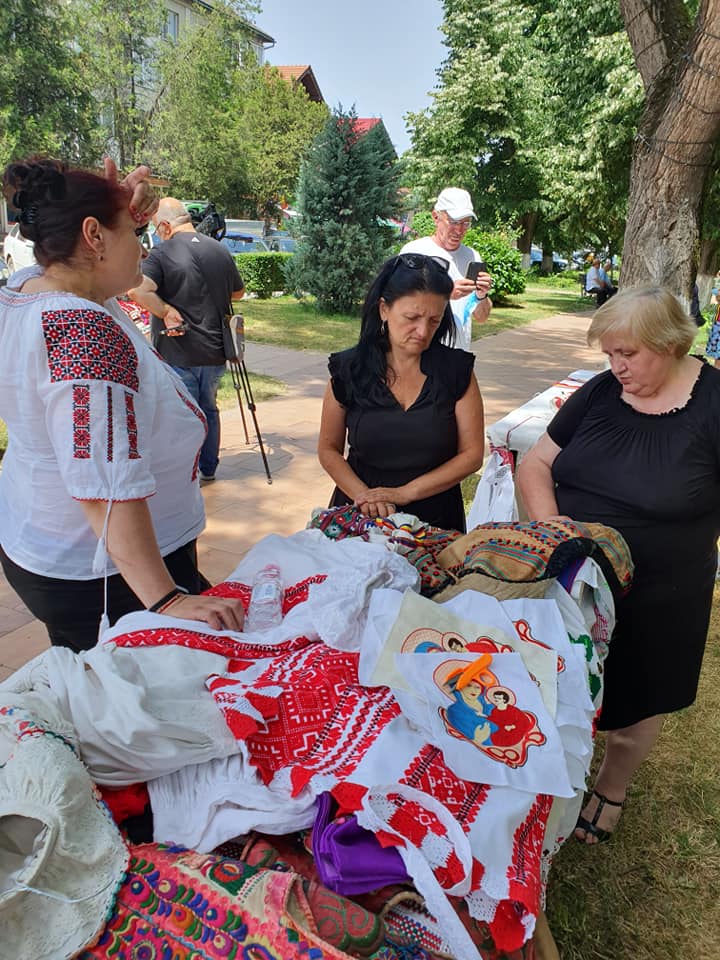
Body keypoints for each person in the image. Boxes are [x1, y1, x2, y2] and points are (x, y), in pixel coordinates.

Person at [0, 158, 245, 651]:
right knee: (126, 686)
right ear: (93, 237)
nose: (144, 246)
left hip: (58, 544)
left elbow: (80, 268)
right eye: (134, 234)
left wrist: (112, 210)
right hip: (106, 572)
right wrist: (165, 599)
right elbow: (104, 484)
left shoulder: (37, 287)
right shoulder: (80, 328)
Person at [516, 286, 720, 843]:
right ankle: (549, 770)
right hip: (574, 576)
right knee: (555, 681)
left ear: (670, 343)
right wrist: (556, 533)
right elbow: (536, 465)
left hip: (662, 591)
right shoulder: (602, 391)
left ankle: (611, 785)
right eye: (609, 354)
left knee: (637, 695)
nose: (617, 366)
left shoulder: (713, 404)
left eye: (628, 353)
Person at [318, 253, 485, 532]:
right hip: (360, 514)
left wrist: (405, 493)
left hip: (436, 519)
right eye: (412, 317)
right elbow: (328, 449)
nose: (422, 331)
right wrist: (364, 497)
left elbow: (472, 454)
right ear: (384, 309)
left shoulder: (456, 371)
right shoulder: (350, 369)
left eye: (434, 320)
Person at [128, 197, 245, 482]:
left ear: (165, 226)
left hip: (177, 350)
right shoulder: (219, 249)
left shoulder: (162, 252)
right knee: (209, 409)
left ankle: (185, 472)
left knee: (184, 414)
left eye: (156, 229)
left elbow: (137, 290)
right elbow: (238, 292)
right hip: (216, 349)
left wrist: (166, 310)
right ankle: (208, 468)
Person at [400, 188, 492, 350]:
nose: (459, 230)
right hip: (420, 354)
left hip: (457, 356)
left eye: (466, 223)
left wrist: (481, 295)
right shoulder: (414, 252)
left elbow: (481, 317)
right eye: (454, 222)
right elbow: (400, 305)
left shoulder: (472, 256)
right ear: (436, 217)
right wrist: (445, 294)